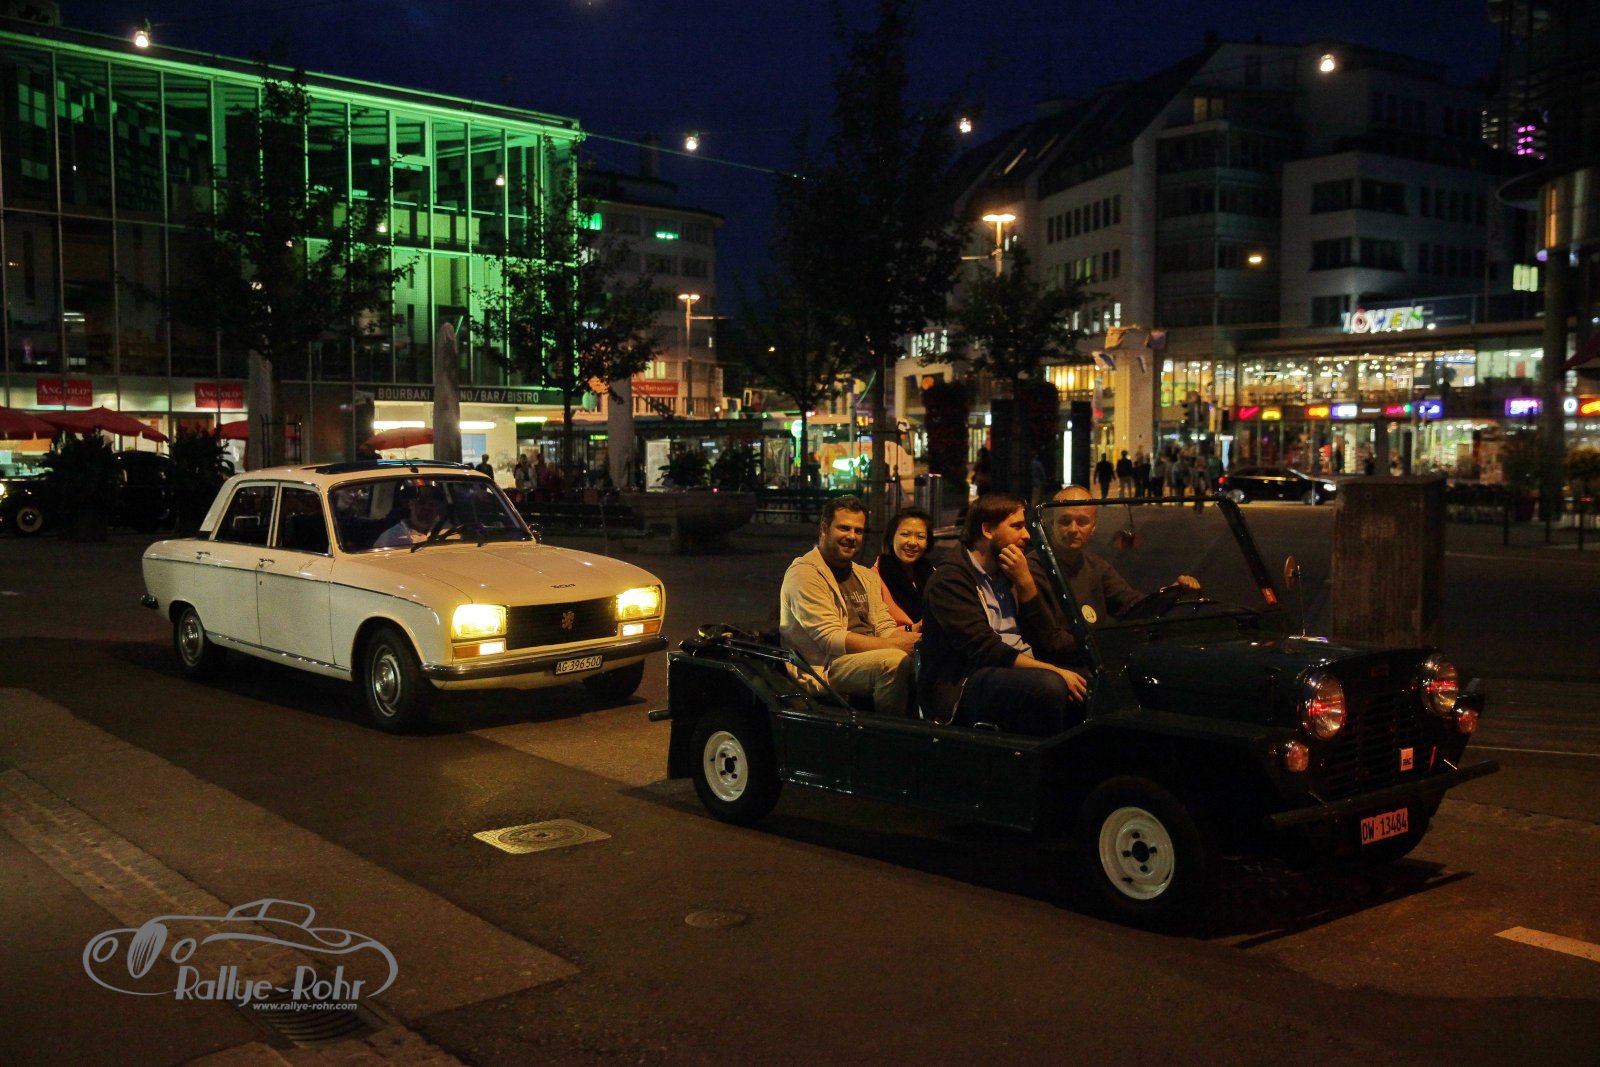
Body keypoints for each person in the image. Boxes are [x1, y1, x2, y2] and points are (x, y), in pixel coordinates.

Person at [918, 493, 1089, 735]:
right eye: (1017, 527)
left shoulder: (1008, 571)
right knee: (1048, 685)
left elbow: (1045, 638)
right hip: (965, 680)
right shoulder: (950, 580)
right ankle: (1040, 757)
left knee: (1095, 679)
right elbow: (984, 649)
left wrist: (1026, 584)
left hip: (1012, 665)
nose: (1026, 535)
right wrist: (1052, 669)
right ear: (987, 530)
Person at [779, 496, 918, 716]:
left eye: (858, 531)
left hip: (862, 658)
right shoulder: (804, 574)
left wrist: (915, 639)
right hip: (826, 667)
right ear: (824, 528)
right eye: (844, 528)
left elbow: (883, 626)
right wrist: (895, 645)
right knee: (893, 662)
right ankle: (891, 732)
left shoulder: (865, 576)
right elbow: (830, 639)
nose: (852, 537)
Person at [1039, 485, 1200, 625]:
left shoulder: (1096, 566)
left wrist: (1172, 592)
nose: (1073, 529)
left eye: (1082, 522)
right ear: (1052, 524)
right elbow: (1050, 636)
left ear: (1093, 527)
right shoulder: (1037, 567)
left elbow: (1132, 605)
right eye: (1065, 521)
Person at [873, 507, 934, 630]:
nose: (912, 542)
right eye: (905, 534)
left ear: (927, 542)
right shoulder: (873, 578)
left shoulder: (933, 573)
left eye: (920, 537)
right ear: (891, 538)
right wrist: (912, 628)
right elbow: (874, 630)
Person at [375, 484, 447, 548]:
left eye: (432, 504)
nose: (427, 507)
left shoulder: (447, 531)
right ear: (411, 504)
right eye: (421, 503)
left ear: (438, 508)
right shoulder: (391, 537)